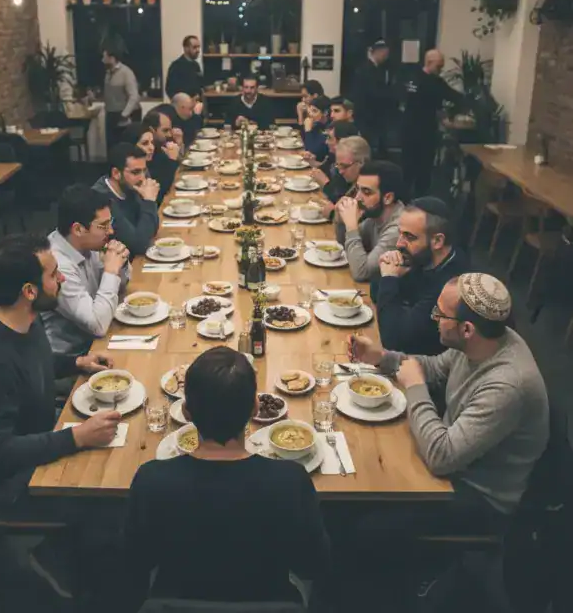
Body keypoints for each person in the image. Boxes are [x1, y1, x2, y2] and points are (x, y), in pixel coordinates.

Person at [347, 274, 549, 608]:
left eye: (440, 315)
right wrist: (383, 357)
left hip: (478, 497)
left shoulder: (507, 385)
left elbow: (441, 456)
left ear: (467, 329)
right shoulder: (481, 343)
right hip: (454, 463)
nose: (434, 319)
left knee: (368, 526)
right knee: (363, 475)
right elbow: (433, 368)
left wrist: (415, 387)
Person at [0, 234, 123, 596]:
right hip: (4, 485)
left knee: (117, 456)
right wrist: (75, 438)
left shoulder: (23, 321)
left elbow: (35, 362)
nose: (62, 278)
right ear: (29, 291)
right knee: (111, 494)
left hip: (39, 439)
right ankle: (56, 558)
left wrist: (76, 362)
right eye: (54, 274)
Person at [120, 347, 331, 611]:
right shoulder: (291, 481)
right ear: (255, 408)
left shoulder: (150, 480)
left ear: (186, 412)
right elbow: (314, 564)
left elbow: (134, 563)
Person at [373, 197, 469, 356]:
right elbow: (375, 291)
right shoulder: (424, 259)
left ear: (437, 241)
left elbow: (392, 339)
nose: (399, 244)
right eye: (400, 234)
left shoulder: (450, 285)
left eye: (409, 237)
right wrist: (390, 276)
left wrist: (390, 278)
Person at [42, 185, 131, 356]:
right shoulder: (57, 265)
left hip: (99, 336)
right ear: (78, 229)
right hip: (74, 356)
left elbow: (121, 287)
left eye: (110, 223)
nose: (111, 231)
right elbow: (97, 325)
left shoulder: (89, 243)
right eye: (103, 226)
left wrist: (121, 263)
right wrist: (111, 271)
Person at [401, 49, 464, 197]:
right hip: (413, 129)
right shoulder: (418, 79)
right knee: (410, 167)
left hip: (425, 129)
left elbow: (454, 96)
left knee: (424, 168)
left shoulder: (431, 80)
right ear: (429, 63)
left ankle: (419, 198)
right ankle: (404, 198)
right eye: (439, 66)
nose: (441, 69)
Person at [335, 160, 404, 282]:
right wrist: (341, 220)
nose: (358, 197)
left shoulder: (398, 230)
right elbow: (345, 245)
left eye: (366, 192)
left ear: (388, 198)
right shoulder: (375, 216)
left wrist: (351, 226)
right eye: (358, 189)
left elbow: (361, 272)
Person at [92, 143, 160, 256]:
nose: (143, 178)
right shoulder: (102, 198)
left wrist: (149, 202)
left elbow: (152, 229)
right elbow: (139, 245)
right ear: (116, 173)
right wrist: (149, 201)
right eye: (136, 172)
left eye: (144, 171)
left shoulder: (130, 187)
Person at [312, 134, 370, 219]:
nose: (340, 171)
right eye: (338, 165)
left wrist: (333, 215)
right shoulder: (352, 182)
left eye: (344, 166)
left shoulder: (369, 189)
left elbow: (358, 221)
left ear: (361, 163)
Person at [351, 40, 391, 158]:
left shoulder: (374, 69)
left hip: (370, 114)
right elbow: (372, 92)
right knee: (367, 144)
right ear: (377, 52)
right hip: (368, 114)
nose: (386, 57)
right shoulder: (367, 70)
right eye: (384, 54)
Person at [102, 47, 141, 153]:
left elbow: (133, 96)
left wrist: (125, 114)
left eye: (104, 57)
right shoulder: (108, 73)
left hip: (123, 115)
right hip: (111, 114)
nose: (102, 60)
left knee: (124, 147)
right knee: (111, 146)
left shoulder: (126, 72)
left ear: (112, 58)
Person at [142, 109, 182, 202]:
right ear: (152, 130)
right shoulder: (146, 153)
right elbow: (163, 189)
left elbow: (180, 173)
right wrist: (172, 160)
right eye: (165, 130)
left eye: (170, 130)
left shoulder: (160, 146)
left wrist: (180, 145)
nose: (169, 134)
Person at [165, 35, 203, 99]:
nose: (198, 50)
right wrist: (180, 102)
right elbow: (170, 90)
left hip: (196, 102)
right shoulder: (176, 66)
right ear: (186, 48)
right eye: (194, 47)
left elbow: (200, 85)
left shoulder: (196, 65)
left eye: (198, 47)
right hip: (182, 103)